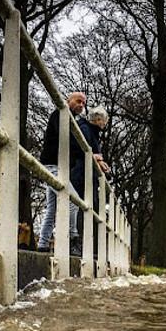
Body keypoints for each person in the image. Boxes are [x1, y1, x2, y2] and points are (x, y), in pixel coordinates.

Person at [37, 91, 86, 254]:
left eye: (84, 103)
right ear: (68, 100)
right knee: (73, 201)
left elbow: (72, 145)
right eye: (78, 101)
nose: (81, 105)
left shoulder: (72, 120)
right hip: (53, 165)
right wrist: (83, 150)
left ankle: (43, 244)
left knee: (51, 208)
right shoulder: (61, 114)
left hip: (58, 166)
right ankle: (72, 239)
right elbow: (65, 139)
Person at [71, 106, 110, 249]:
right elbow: (81, 149)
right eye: (103, 121)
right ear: (98, 119)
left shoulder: (91, 131)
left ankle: (85, 244)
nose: (104, 124)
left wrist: (100, 162)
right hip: (81, 174)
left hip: (86, 175)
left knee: (88, 207)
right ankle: (77, 242)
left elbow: (91, 151)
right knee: (81, 207)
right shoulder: (86, 130)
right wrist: (94, 157)